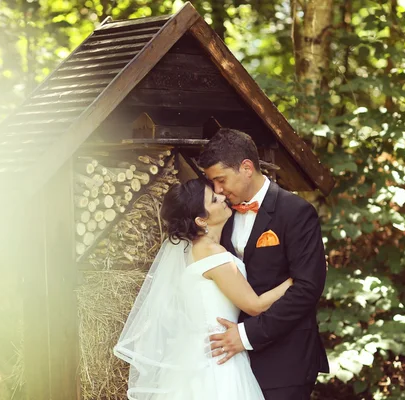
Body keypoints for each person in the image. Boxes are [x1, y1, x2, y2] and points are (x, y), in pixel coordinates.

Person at [114, 177, 293, 400]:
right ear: (201, 219)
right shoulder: (211, 253)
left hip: (201, 355)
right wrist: (294, 281)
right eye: (214, 199)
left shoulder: (195, 250)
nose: (222, 198)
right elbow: (254, 305)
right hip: (217, 360)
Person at [198, 128, 329, 400]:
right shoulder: (224, 215)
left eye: (221, 180)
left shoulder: (296, 212)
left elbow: (307, 288)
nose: (218, 191)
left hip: (285, 360)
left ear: (246, 168)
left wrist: (246, 336)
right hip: (231, 365)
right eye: (213, 184)